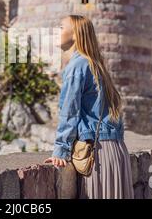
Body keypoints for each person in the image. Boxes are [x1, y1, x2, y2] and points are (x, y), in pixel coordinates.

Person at [44, 15, 134, 199]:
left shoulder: (77, 66)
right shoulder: (96, 65)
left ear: (76, 34)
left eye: (61, 27)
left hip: (97, 152)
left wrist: (61, 149)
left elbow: (70, 112)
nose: (57, 31)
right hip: (115, 149)